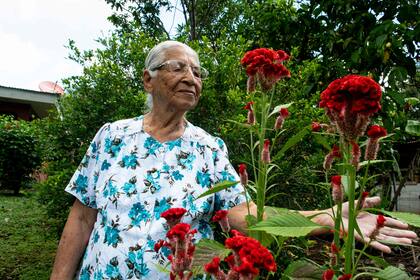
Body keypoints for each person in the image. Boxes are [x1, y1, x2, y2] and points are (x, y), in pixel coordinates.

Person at [50, 41, 417, 280]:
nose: (190, 78)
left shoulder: (209, 148)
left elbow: (242, 216)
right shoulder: (111, 137)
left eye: (197, 72)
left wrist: (325, 218)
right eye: (178, 67)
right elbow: (81, 218)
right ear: (148, 80)